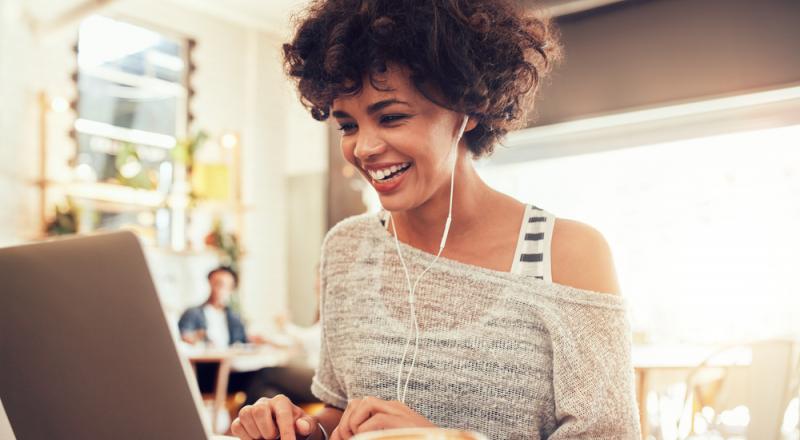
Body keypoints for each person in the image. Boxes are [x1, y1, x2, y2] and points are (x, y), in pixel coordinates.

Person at [233, 1, 641, 439]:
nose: (364, 148)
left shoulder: (566, 255)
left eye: (391, 117)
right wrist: (298, 429)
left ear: (468, 107)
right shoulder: (347, 249)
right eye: (347, 125)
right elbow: (345, 415)